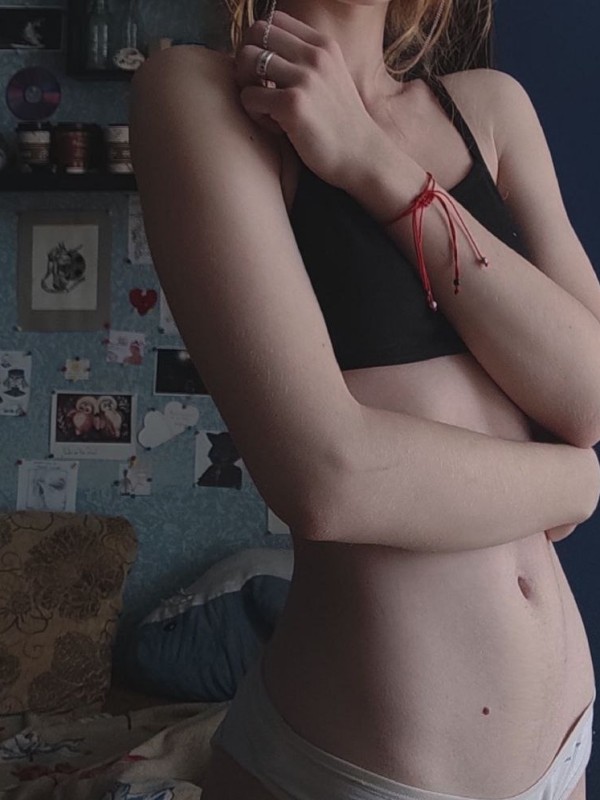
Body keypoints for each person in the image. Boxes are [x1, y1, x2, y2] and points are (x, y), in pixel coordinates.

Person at [129, 0, 600, 798]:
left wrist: (370, 162)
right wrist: (576, 481)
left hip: (562, 756)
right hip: (361, 772)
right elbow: (330, 478)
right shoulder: (197, 94)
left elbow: (590, 395)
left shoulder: (492, 109)